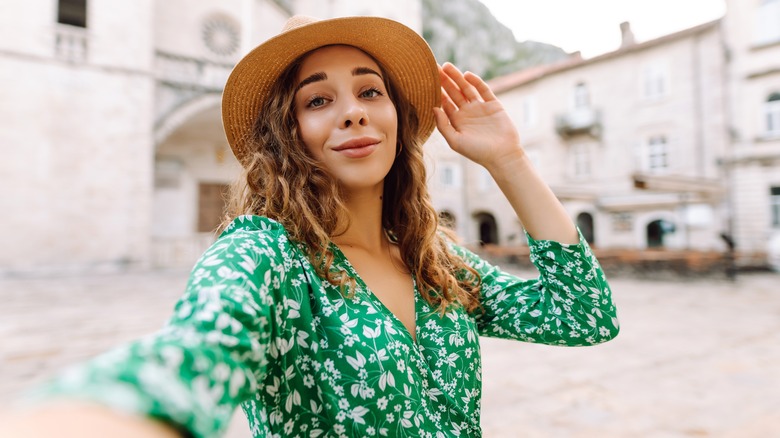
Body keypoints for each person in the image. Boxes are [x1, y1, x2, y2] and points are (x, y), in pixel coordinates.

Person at [0, 15, 619, 438]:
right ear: (288, 133)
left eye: (370, 91)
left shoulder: (434, 261)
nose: (351, 112)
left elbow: (585, 316)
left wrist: (509, 161)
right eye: (318, 100)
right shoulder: (267, 253)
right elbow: (194, 352)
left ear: (396, 118)